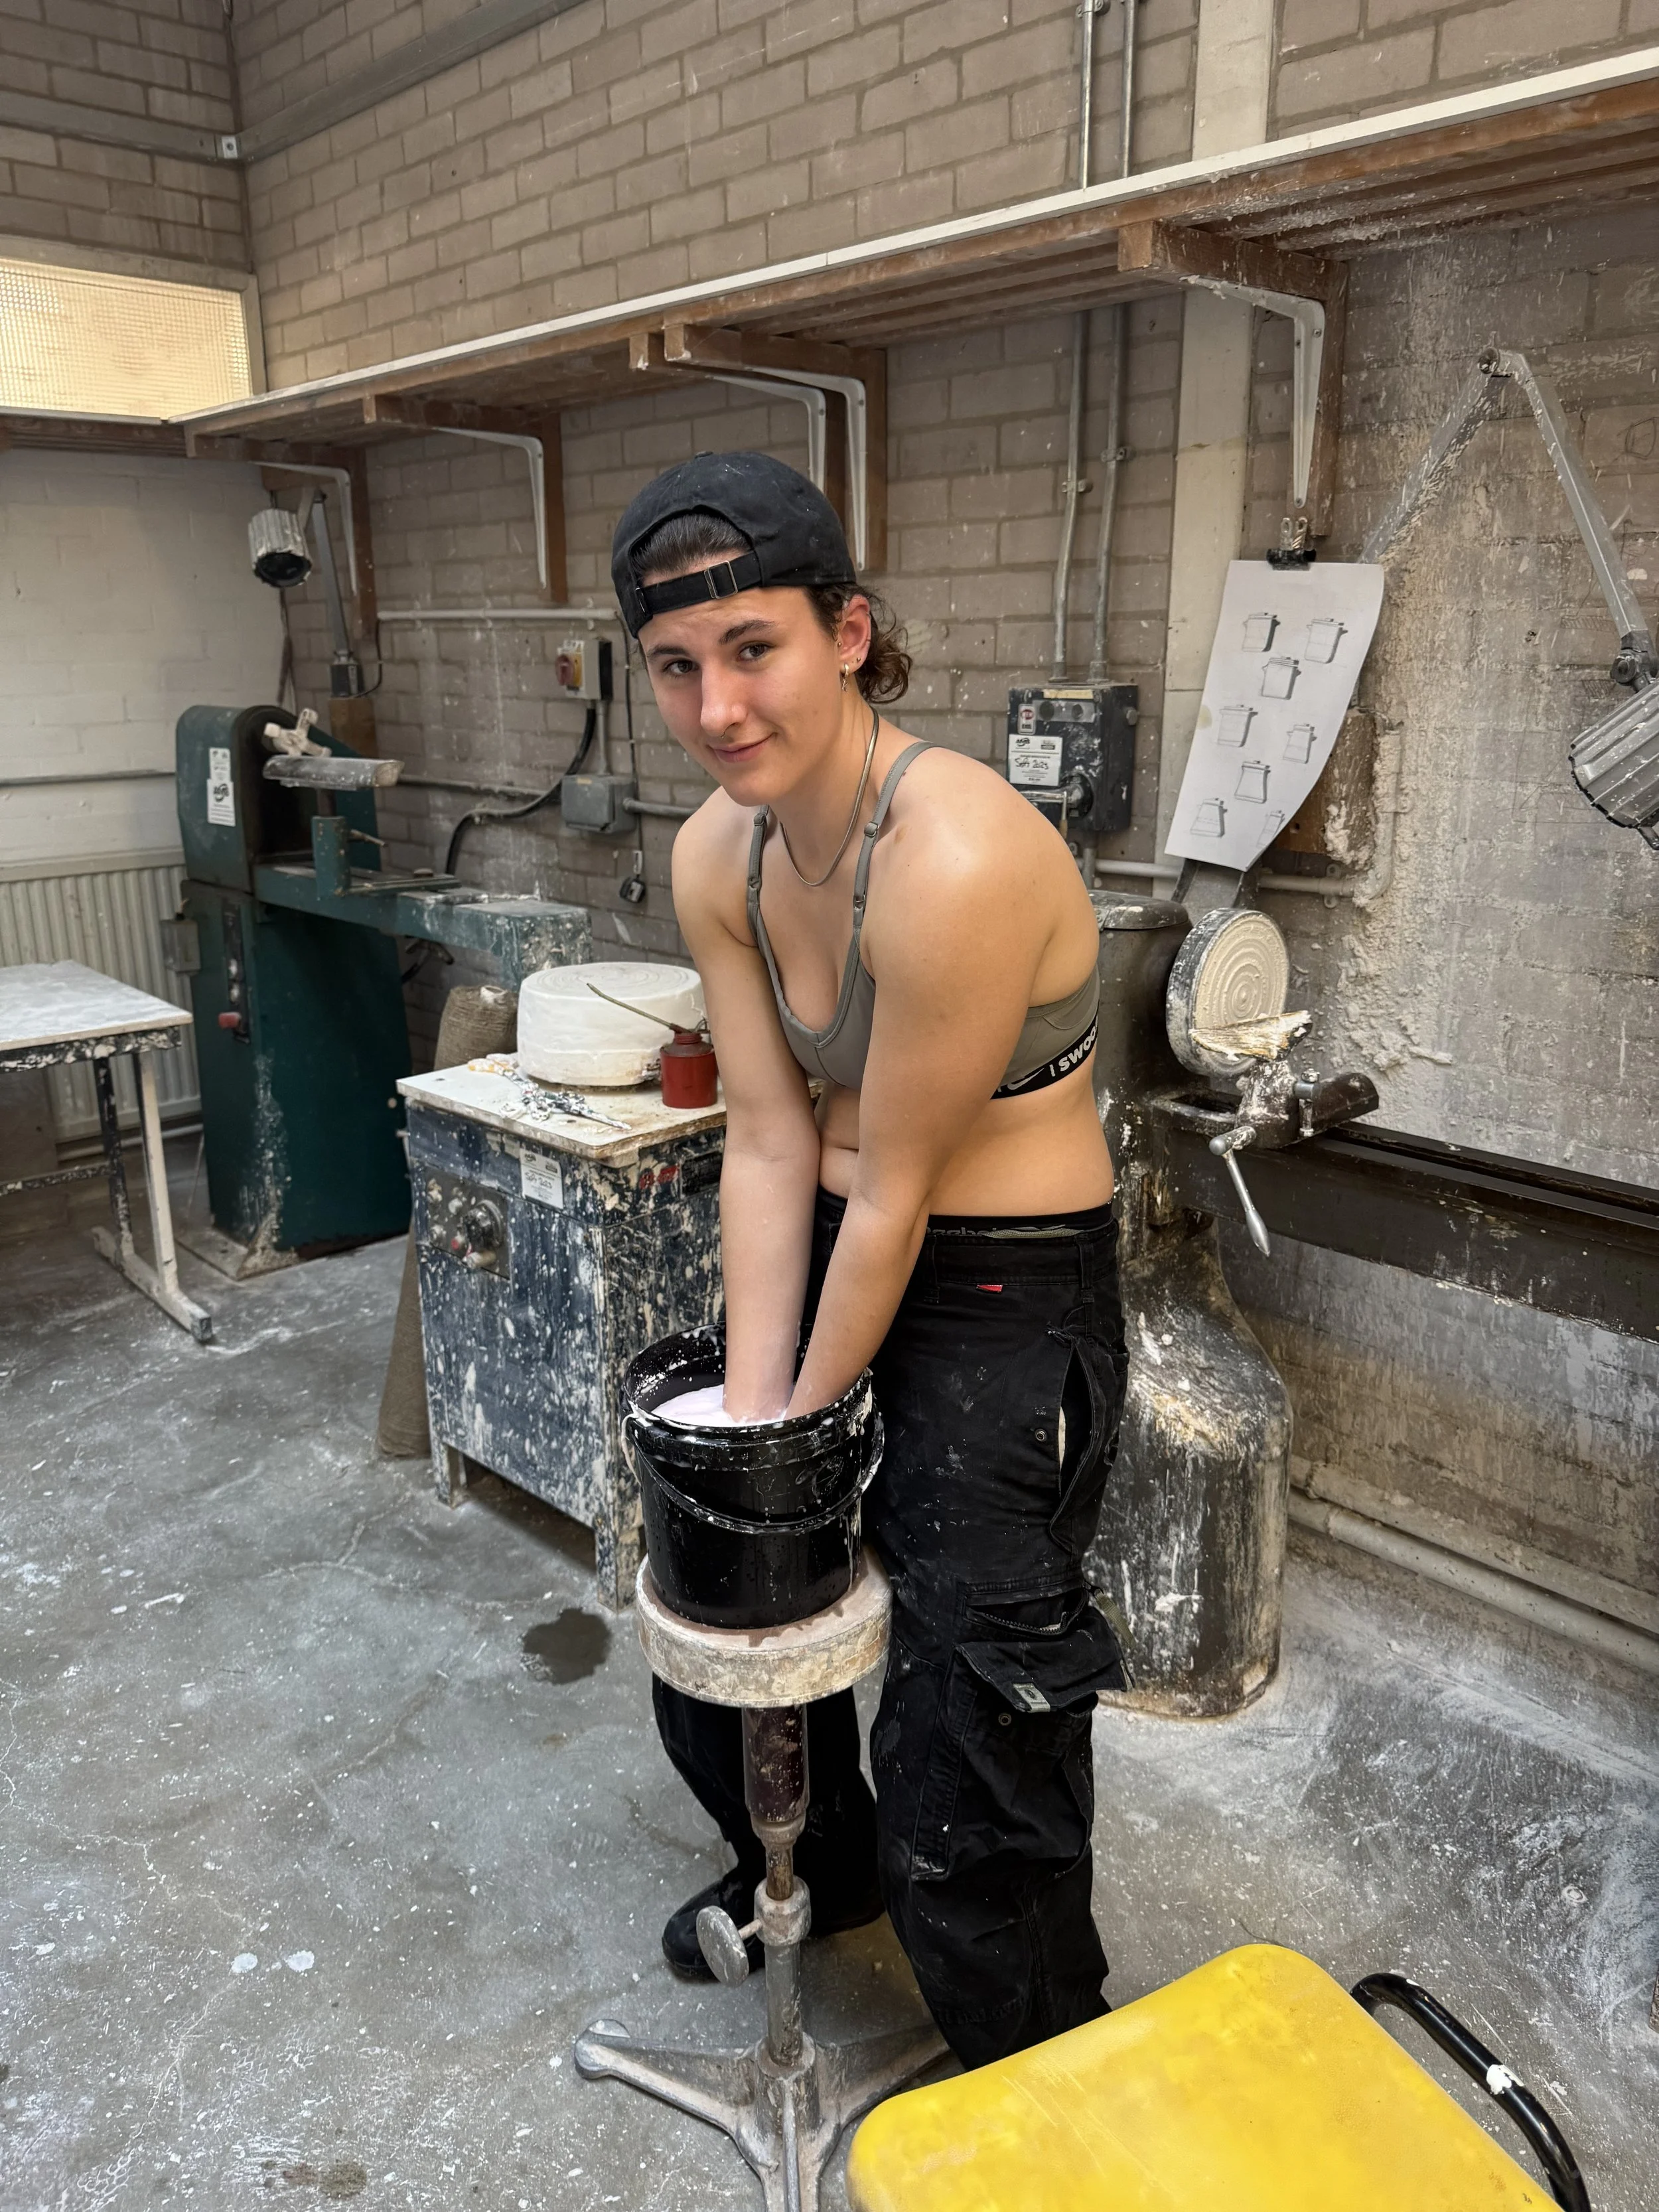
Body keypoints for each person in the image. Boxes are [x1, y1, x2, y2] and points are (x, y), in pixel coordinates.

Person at [611, 451, 1128, 2068]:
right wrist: (762, 1449)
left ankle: (1035, 2057)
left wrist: (805, 1440)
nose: (715, 706)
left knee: (973, 1690)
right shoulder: (722, 858)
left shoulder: (953, 856)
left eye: (751, 648)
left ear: (846, 631)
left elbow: (897, 1191)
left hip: (1001, 1271)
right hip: (837, 1227)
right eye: (675, 667)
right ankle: (815, 1871)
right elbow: (769, 1142)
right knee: (724, 1578)